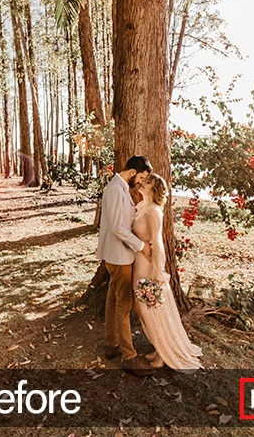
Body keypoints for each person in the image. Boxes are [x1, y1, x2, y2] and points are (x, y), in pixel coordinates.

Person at [132, 173, 203, 372]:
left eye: (147, 183)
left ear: (154, 191)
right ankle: (158, 347)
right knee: (142, 309)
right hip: (138, 262)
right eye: (144, 181)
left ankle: (165, 353)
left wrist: (157, 270)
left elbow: (158, 241)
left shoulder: (154, 211)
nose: (142, 184)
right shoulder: (142, 207)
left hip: (148, 265)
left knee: (152, 309)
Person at [96, 155, 156, 377]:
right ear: (133, 172)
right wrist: (141, 245)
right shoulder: (115, 190)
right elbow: (118, 228)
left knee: (113, 298)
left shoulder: (120, 188)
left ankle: (111, 345)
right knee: (125, 304)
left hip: (117, 255)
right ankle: (129, 357)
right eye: (141, 177)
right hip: (119, 256)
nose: (141, 182)